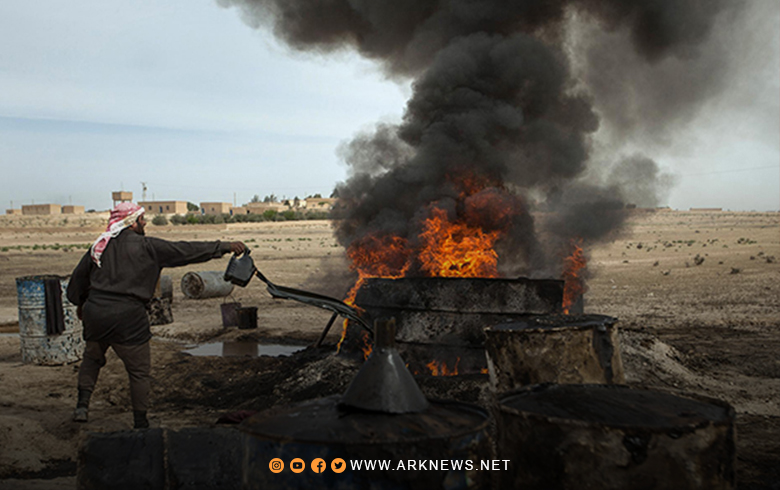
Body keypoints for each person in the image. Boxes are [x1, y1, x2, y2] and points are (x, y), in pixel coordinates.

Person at [66, 202, 245, 428]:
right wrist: (224, 246)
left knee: (92, 359)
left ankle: (82, 407)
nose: (145, 223)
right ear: (132, 223)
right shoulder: (148, 247)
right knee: (139, 372)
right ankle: (140, 422)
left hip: (96, 314)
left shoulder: (100, 246)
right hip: (128, 317)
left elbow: (77, 281)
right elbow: (185, 250)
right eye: (142, 219)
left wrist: (81, 303)